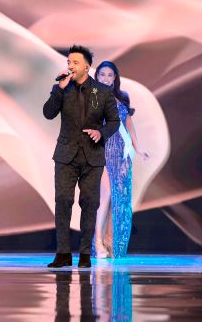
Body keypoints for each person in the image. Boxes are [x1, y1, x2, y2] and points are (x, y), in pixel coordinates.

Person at [43, 45, 120, 268]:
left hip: (92, 156)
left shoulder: (102, 92)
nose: (70, 66)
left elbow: (113, 121)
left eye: (75, 63)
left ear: (87, 67)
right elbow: (48, 113)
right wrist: (59, 89)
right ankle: (63, 253)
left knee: (90, 203)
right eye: (68, 62)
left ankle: (85, 254)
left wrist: (101, 132)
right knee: (63, 202)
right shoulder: (62, 89)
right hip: (66, 155)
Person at [91, 61, 148, 258]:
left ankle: (109, 240)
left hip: (122, 155)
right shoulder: (93, 98)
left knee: (118, 199)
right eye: (102, 74)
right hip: (102, 152)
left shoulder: (122, 98)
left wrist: (138, 149)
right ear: (97, 76)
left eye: (110, 75)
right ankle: (97, 243)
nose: (106, 78)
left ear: (115, 78)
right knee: (105, 196)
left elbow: (129, 125)